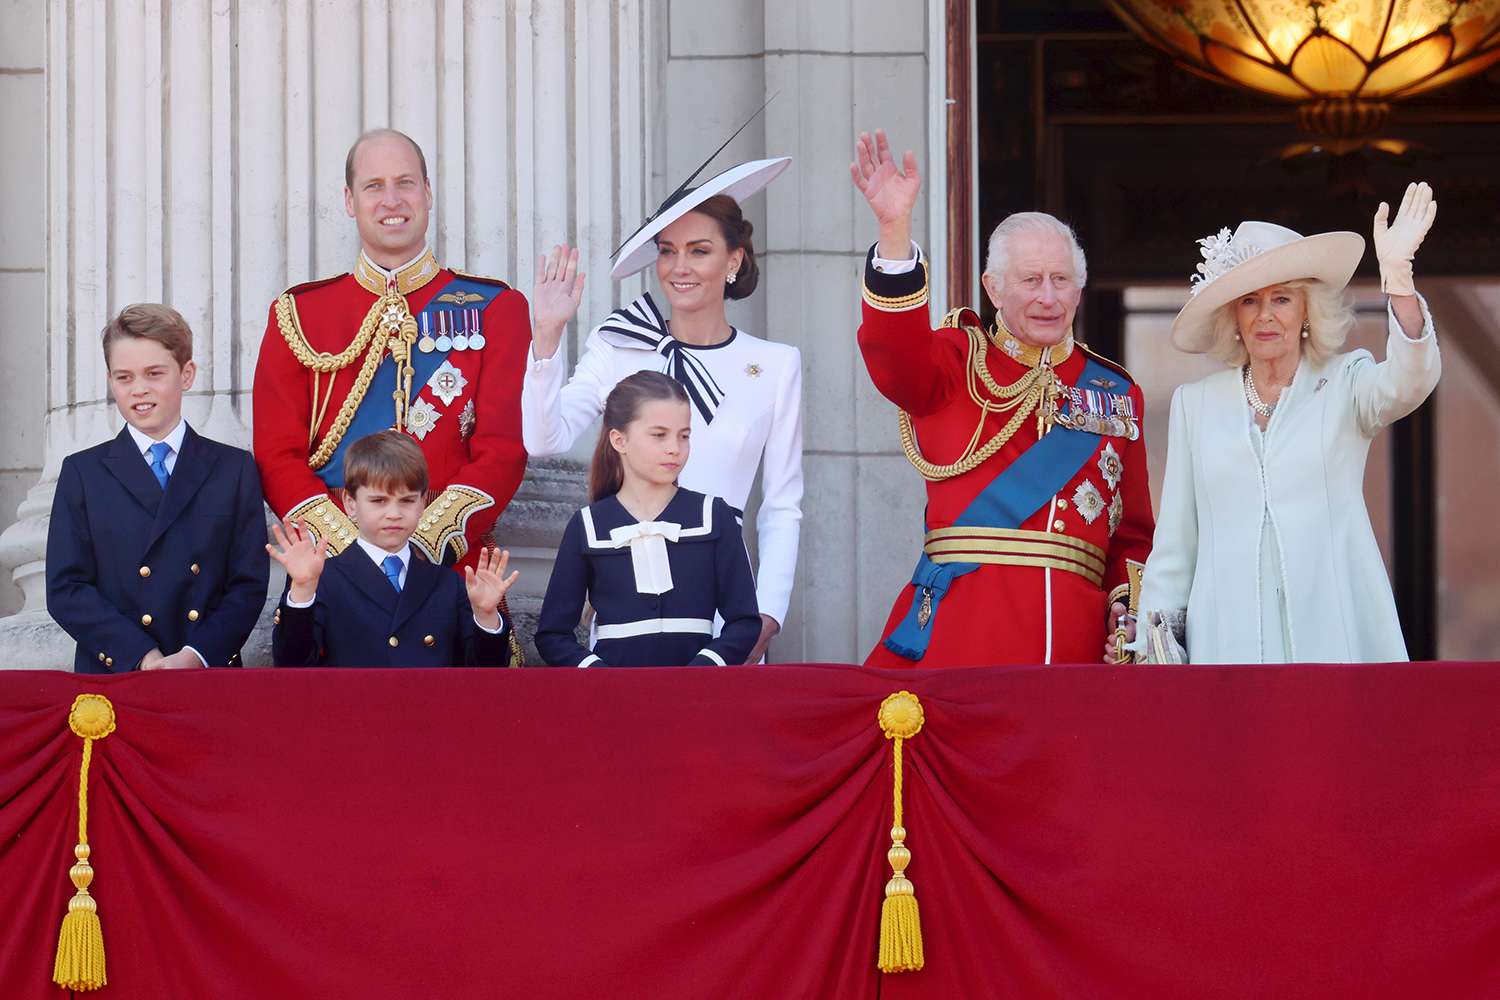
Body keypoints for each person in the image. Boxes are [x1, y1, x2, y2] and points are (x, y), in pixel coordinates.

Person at [851, 129, 1155, 667]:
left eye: (1061, 280)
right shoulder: (953, 362)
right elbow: (893, 354)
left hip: (1075, 649)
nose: (1047, 297)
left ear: (1080, 290)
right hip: (961, 639)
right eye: (1031, 279)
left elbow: (1132, 536)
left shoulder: (1115, 392)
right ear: (992, 289)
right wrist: (894, 231)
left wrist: (1123, 614)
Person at [1135, 183, 1441, 663]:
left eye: (1281, 299)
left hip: (1333, 636)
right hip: (1226, 645)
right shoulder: (1194, 405)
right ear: (1233, 316)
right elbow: (1175, 546)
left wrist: (1399, 281)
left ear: (1305, 311)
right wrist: (1155, 647)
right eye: (1250, 301)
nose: (1265, 316)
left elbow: (1410, 381)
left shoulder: (1344, 382)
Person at [522, 157, 802, 663]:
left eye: (700, 251)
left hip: (726, 608)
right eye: (668, 251)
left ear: (734, 260)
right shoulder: (620, 344)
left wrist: (766, 616)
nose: (679, 267)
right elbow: (544, 440)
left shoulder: (777, 365)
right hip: (627, 605)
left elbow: (781, 503)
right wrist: (546, 338)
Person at [252, 128, 529, 579]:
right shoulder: (298, 314)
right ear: (349, 200)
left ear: (428, 192)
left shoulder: (496, 309)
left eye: (405, 183)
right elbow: (276, 453)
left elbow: (503, 450)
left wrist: (422, 546)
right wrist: (350, 554)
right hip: (333, 573)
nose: (392, 200)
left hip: (450, 573)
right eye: (373, 186)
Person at [47, 304, 269, 673]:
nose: (139, 390)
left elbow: (247, 583)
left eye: (154, 374)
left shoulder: (234, 469)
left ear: (186, 374)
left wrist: (197, 655)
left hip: (207, 674)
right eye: (124, 377)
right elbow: (66, 588)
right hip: (119, 675)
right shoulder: (82, 472)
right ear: (110, 381)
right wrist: (140, 655)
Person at [535, 372, 761, 667]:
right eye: (659, 435)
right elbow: (553, 635)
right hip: (616, 703)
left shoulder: (713, 515)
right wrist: (599, 675)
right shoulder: (588, 526)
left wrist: (705, 669)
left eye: (684, 435)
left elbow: (744, 621)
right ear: (619, 440)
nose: (674, 448)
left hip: (700, 701)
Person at [268, 430, 517, 667]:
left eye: (407, 501)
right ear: (350, 503)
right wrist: (300, 592)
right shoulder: (323, 578)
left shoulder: (448, 584)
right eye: (379, 501)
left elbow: (484, 673)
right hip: (351, 709)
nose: (394, 514)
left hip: (430, 710)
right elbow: (292, 664)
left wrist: (485, 616)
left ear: (422, 504)